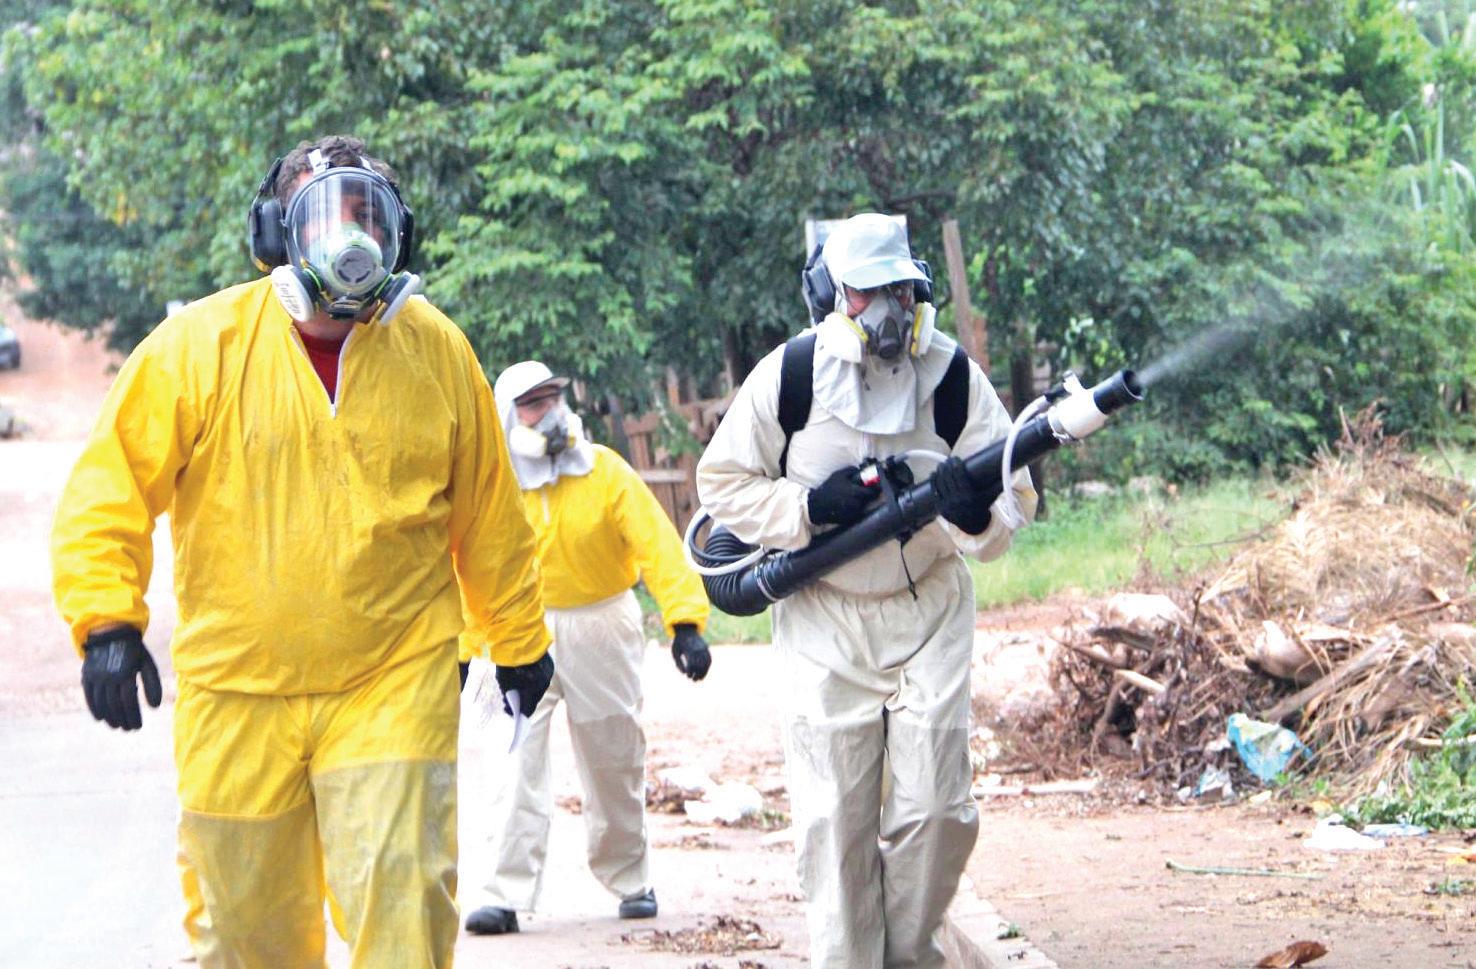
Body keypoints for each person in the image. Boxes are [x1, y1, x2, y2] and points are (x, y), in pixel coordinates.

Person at [51, 134, 554, 969]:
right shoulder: (198, 348)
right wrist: (107, 621)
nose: (352, 236)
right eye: (327, 214)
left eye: (369, 215)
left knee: (404, 907)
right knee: (243, 934)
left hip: (392, 678)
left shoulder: (437, 351)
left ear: (397, 236)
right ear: (276, 234)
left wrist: (520, 639)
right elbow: (111, 486)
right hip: (236, 691)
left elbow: (490, 515)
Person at [694, 213, 1037, 969]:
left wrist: (971, 511)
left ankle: (908, 955)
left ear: (917, 292)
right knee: (835, 819)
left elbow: (1016, 494)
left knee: (937, 809)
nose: (885, 310)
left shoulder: (950, 376)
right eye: (865, 292)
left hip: (928, 608)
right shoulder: (790, 375)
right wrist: (809, 508)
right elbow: (720, 482)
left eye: (898, 291)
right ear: (834, 295)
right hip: (825, 611)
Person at [461, 360, 713, 935]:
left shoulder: (604, 470)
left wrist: (685, 622)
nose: (548, 411)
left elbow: (656, 543)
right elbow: (472, 566)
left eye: (553, 398)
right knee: (510, 759)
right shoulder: (492, 485)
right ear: (507, 416)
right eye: (532, 403)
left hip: (601, 623)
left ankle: (631, 879)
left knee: (612, 754)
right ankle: (503, 892)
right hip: (516, 632)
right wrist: (464, 648)